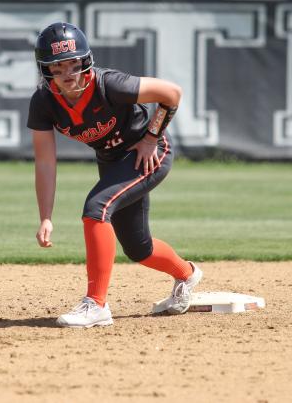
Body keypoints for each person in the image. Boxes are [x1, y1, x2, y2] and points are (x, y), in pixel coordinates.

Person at [27, 22, 202, 328]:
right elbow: (45, 161)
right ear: (46, 71)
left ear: (85, 62)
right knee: (138, 248)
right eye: (57, 67)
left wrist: (150, 138)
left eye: (73, 63)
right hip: (112, 160)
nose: (68, 74)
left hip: (148, 154)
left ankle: (96, 305)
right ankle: (187, 274)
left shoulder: (110, 85)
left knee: (97, 208)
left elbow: (171, 94)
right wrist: (45, 216)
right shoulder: (43, 102)